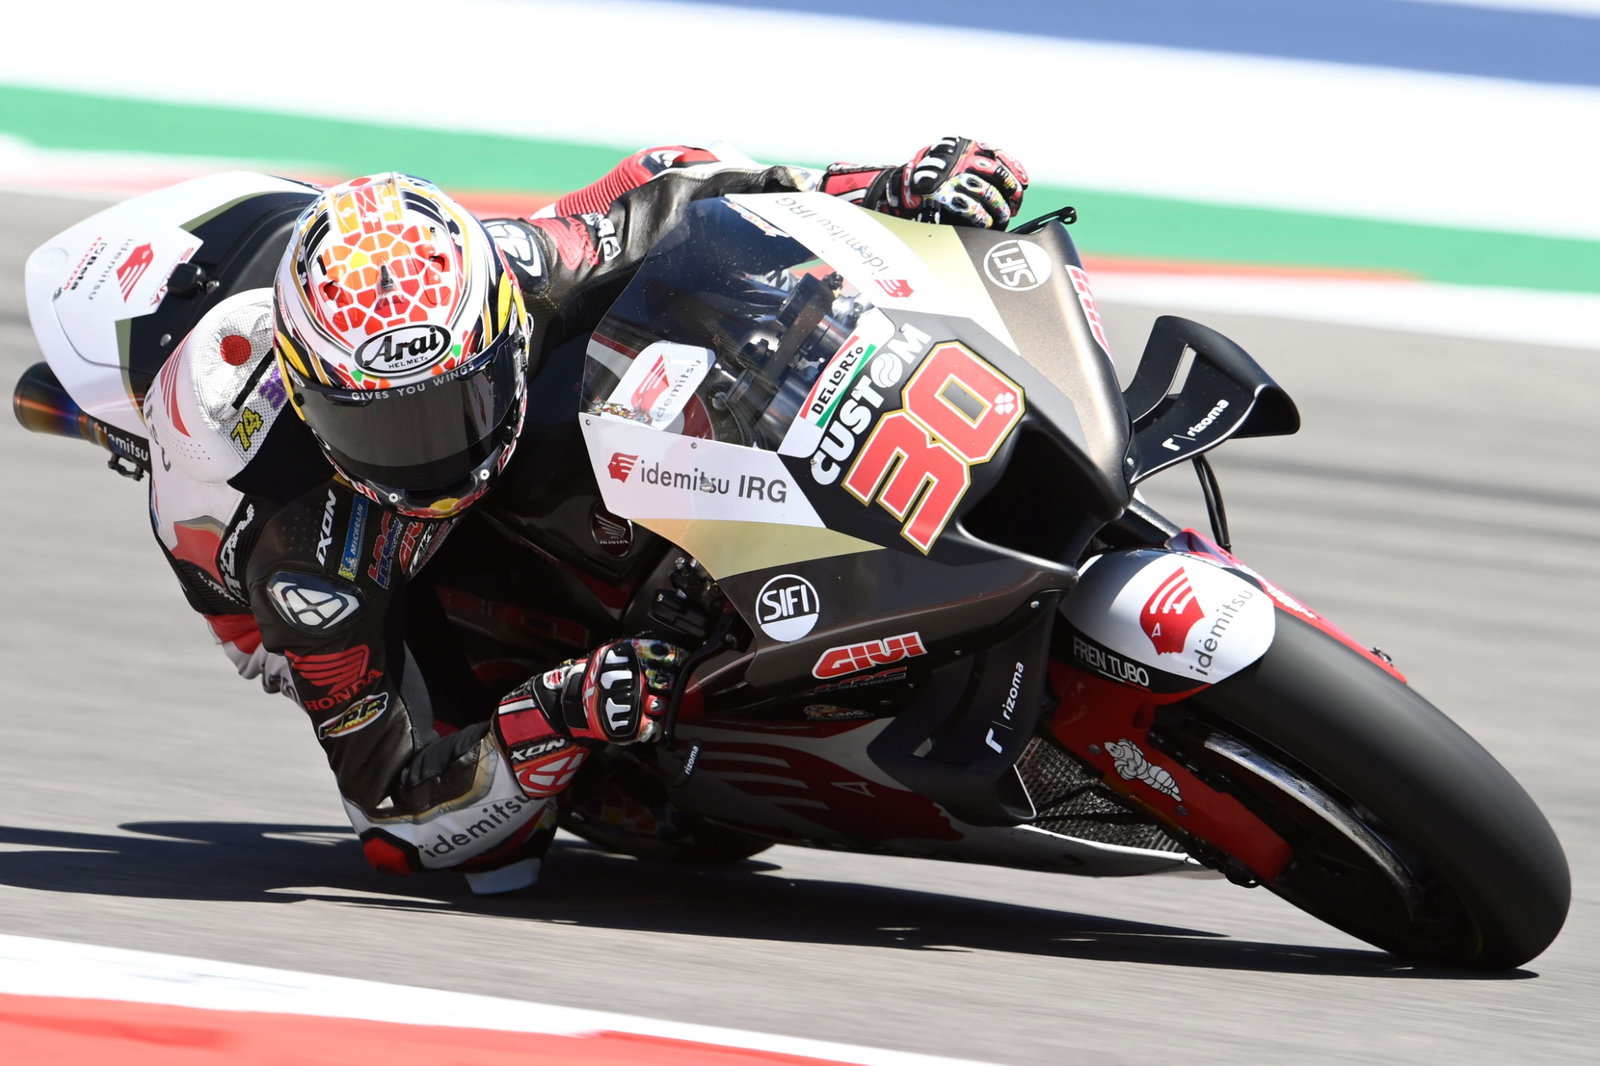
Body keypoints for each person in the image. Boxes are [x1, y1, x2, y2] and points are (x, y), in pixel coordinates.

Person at [142, 137, 1029, 893]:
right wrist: (556, 715)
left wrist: (884, 184)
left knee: (676, 233)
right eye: (381, 423)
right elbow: (394, 812)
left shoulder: (522, 268)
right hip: (369, 575)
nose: (433, 454)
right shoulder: (304, 562)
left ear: (496, 325)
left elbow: (680, 191)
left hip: (496, 393)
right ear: (310, 400)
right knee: (511, 856)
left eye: (456, 402)